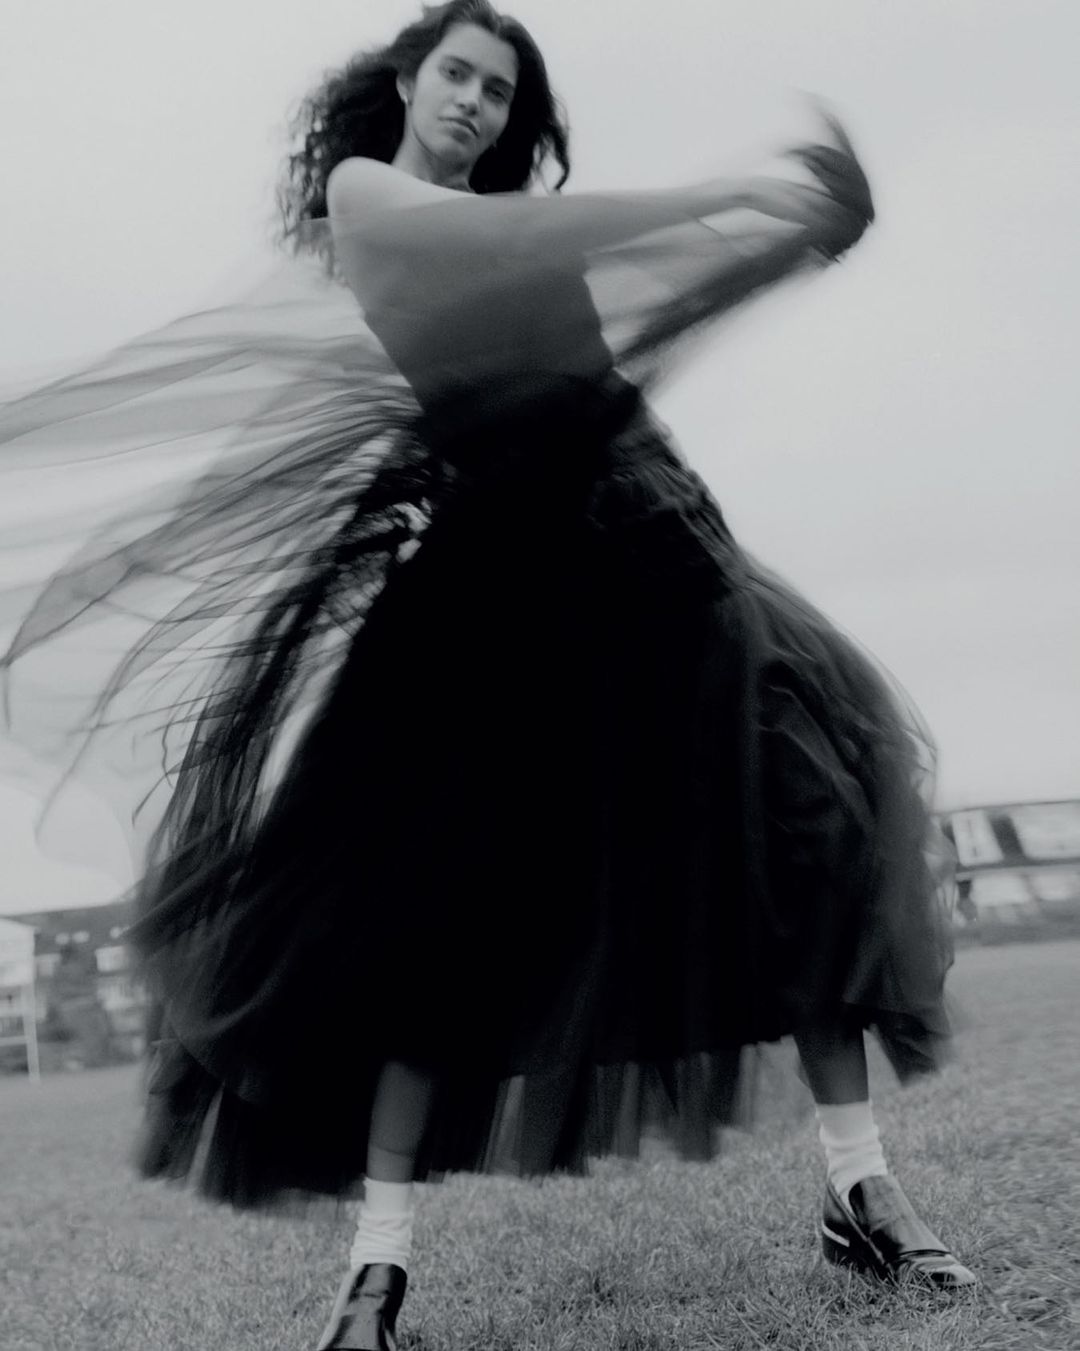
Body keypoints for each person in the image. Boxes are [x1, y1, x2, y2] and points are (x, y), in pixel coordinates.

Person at [0, 3, 976, 1347]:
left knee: (809, 835)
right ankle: (378, 1270)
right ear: (409, 80)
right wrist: (736, 198)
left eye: (500, 90)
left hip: (659, 543)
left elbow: (614, 323)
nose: (475, 101)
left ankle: (861, 1189)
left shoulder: (514, 217)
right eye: (457, 74)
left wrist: (784, 234)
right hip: (501, 593)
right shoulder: (370, 199)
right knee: (426, 922)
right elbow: (524, 245)